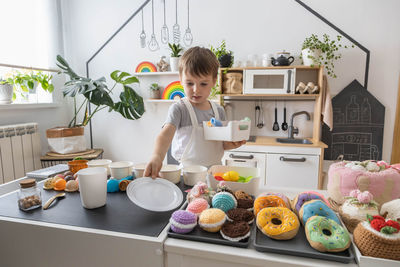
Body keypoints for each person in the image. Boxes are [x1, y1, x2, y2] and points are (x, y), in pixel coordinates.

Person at [144, 46, 246, 178]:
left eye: (203, 84)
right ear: (181, 79)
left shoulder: (219, 111)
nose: (196, 90)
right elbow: (165, 136)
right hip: (187, 175)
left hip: (215, 174)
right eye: (190, 83)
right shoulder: (179, 109)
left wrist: (232, 144)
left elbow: (220, 144)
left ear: (214, 81)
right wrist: (156, 156)